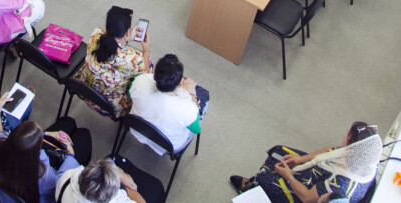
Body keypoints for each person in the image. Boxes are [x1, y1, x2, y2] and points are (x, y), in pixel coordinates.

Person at [229, 122, 382, 202]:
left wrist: (289, 176)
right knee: (279, 151)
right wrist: (301, 160)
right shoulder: (365, 157)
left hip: (309, 194)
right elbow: (331, 150)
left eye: (346, 136)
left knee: (266, 177)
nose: (344, 136)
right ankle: (258, 185)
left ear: (352, 147)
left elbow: (307, 197)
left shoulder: (340, 185)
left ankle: (254, 187)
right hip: (321, 174)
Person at [0, 119, 92, 203]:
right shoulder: (43, 174)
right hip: (42, 195)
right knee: (83, 135)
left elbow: (0, 132)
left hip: (11, 195)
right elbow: (60, 182)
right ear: (36, 149)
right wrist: (71, 155)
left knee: (68, 121)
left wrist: (45, 134)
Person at [75, 5, 151, 117]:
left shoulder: (95, 35)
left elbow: (111, 44)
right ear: (127, 32)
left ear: (106, 27)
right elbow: (146, 75)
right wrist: (146, 52)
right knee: (149, 68)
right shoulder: (134, 59)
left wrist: (126, 38)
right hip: (110, 108)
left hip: (84, 91)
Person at [128, 54, 206, 156]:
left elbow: (130, 95)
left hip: (137, 129)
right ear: (180, 82)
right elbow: (196, 129)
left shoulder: (140, 80)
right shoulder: (188, 108)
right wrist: (194, 100)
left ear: (154, 75)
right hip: (167, 146)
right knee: (205, 104)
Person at [55, 158, 159, 203]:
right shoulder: (119, 199)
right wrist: (121, 176)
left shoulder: (67, 177)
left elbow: (99, 162)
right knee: (157, 188)